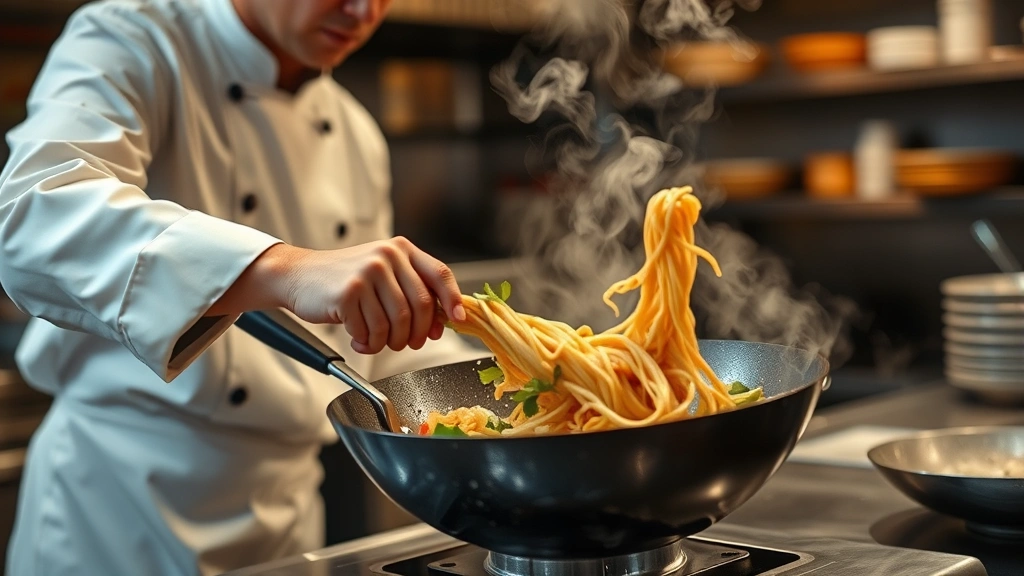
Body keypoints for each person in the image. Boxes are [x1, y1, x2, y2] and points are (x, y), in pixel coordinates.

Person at [0, 0, 486, 574]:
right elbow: (35, 218)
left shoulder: (356, 133)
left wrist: (526, 380)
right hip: (118, 517)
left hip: (284, 525)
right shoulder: (135, 38)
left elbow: (377, 335)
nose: (363, 10)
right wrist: (285, 270)